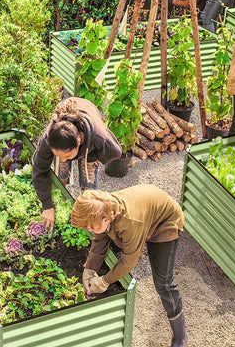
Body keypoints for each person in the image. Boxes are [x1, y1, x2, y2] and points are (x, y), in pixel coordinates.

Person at [72, 185, 188, 347]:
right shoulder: (102, 208)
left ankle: (180, 337)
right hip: (145, 214)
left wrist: (105, 281)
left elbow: (129, 261)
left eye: (91, 226)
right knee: (112, 240)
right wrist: (89, 268)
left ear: (106, 219)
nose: (90, 230)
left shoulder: (130, 223)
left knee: (163, 283)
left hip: (165, 222)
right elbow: (100, 239)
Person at [32, 97, 121, 232]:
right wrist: (47, 205)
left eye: (67, 156)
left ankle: (88, 217)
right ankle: (60, 201)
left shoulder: (99, 136)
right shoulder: (48, 139)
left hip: (88, 138)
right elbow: (39, 168)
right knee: (61, 173)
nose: (64, 158)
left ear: (79, 140)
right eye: (57, 154)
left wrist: (95, 156)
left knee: (88, 185)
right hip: (67, 125)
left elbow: (116, 152)